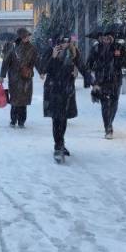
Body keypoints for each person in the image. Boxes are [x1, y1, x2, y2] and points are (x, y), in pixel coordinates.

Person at [40, 34, 90, 163]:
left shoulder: (73, 52)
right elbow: (42, 69)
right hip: (53, 89)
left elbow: (83, 67)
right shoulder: (50, 51)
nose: (64, 44)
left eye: (67, 42)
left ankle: (60, 143)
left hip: (67, 90)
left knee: (64, 118)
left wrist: (91, 80)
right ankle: (58, 145)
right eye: (62, 42)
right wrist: (53, 57)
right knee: (56, 118)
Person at [86, 32, 126, 139]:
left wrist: (120, 56)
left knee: (114, 104)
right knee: (105, 104)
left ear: (112, 38)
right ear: (101, 38)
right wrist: (93, 75)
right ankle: (108, 128)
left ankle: (109, 122)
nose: (106, 40)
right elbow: (89, 65)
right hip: (101, 81)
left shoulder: (119, 47)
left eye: (108, 38)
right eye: (104, 38)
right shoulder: (96, 48)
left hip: (116, 80)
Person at [0, 28, 39, 129]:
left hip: (26, 77)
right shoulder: (12, 48)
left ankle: (21, 121)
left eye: (28, 36)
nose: (27, 38)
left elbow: (35, 61)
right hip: (14, 77)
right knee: (15, 100)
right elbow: (6, 62)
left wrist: (39, 71)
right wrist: (2, 76)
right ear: (20, 37)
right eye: (25, 36)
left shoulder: (32, 48)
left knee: (23, 100)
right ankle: (13, 120)